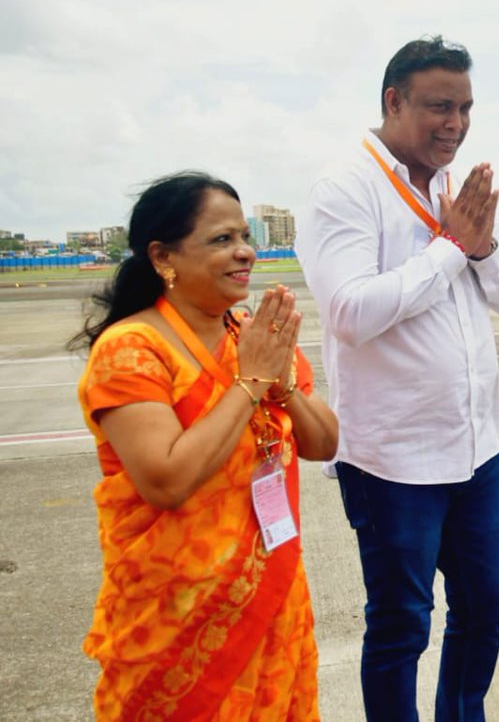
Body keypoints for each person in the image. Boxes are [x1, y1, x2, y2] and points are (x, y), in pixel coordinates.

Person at [294, 36, 499, 721]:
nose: (456, 124)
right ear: (393, 101)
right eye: (439, 107)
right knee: (402, 623)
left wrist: (482, 244)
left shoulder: (458, 189)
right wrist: (451, 247)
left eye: (465, 108)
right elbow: (350, 312)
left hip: (475, 450)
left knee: (486, 606)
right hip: (393, 459)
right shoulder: (346, 188)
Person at [72, 172, 339, 720]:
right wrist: (250, 382)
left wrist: (281, 385)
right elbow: (166, 481)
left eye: (245, 237)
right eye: (221, 239)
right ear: (162, 256)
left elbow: (325, 443)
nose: (244, 252)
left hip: (271, 600)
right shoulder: (131, 350)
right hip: (175, 618)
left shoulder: (251, 334)